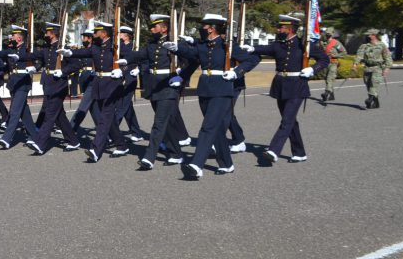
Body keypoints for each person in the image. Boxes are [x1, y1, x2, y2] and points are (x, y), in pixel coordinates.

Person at [165, 13, 258, 179]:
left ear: (212, 28)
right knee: (215, 130)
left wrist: (236, 73)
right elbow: (193, 56)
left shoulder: (227, 45)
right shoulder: (203, 45)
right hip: (205, 89)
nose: (202, 28)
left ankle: (196, 164)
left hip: (222, 89)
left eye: (205, 25)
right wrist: (177, 48)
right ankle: (227, 164)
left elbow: (251, 60)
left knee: (208, 127)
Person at [243, 14, 329, 165]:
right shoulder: (279, 44)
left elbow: (324, 59)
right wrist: (252, 48)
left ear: (290, 29)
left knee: (287, 120)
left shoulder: (304, 44)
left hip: (297, 85)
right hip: (281, 85)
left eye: (281, 27)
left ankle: (274, 150)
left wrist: (313, 69)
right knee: (290, 121)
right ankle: (299, 152)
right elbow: (267, 48)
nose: (278, 29)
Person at [120, 14, 186, 170]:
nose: (151, 29)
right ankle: (176, 154)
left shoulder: (175, 43)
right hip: (154, 86)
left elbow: (190, 60)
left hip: (169, 86)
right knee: (167, 123)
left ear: (164, 29)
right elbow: (139, 54)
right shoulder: (152, 43)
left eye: (154, 26)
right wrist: (125, 60)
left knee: (159, 123)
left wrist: (180, 74)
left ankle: (149, 158)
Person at [59, 21, 130, 163]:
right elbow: (84, 52)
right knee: (108, 119)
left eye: (96, 32)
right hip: (99, 85)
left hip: (112, 86)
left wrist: (122, 71)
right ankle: (121, 145)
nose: (94, 34)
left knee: (104, 118)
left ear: (104, 33)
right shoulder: (96, 47)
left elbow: (130, 60)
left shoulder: (116, 46)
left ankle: (95, 149)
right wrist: (70, 52)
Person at [26, 22, 82, 154]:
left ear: (54, 34)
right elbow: (35, 57)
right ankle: (74, 141)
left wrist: (63, 71)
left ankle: (40, 144)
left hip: (59, 86)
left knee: (50, 115)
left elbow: (77, 65)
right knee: (59, 116)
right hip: (48, 84)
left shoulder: (64, 49)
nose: (45, 34)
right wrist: (20, 57)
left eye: (48, 32)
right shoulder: (47, 48)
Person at [0, 25, 38, 149]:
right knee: (24, 113)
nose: (11, 37)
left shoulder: (27, 50)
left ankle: (6, 138)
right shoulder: (12, 50)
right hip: (14, 84)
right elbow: (0, 53)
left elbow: (40, 59)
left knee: (14, 111)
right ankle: (36, 137)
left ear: (20, 38)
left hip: (23, 84)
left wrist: (35, 68)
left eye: (14, 35)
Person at [114, 26, 145, 142]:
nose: (119, 35)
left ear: (126, 35)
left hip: (130, 77)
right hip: (120, 76)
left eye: (121, 33)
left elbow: (143, 60)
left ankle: (112, 130)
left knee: (122, 105)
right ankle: (137, 132)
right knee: (127, 107)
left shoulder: (134, 46)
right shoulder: (119, 46)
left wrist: (139, 69)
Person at [353, 28, 393, 109]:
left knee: (373, 85)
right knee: (368, 85)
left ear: (374, 35)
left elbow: (388, 57)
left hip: (377, 68)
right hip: (367, 68)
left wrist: (387, 68)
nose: (367, 36)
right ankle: (375, 103)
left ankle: (370, 99)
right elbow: (359, 56)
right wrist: (355, 65)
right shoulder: (364, 46)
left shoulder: (382, 45)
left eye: (369, 34)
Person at [319, 28, 347, 102]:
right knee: (326, 79)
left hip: (333, 63)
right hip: (325, 63)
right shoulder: (323, 42)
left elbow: (344, 52)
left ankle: (326, 92)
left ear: (332, 34)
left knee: (329, 78)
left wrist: (335, 55)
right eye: (327, 33)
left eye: (329, 33)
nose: (328, 35)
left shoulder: (336, 43)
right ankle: (331, 95)